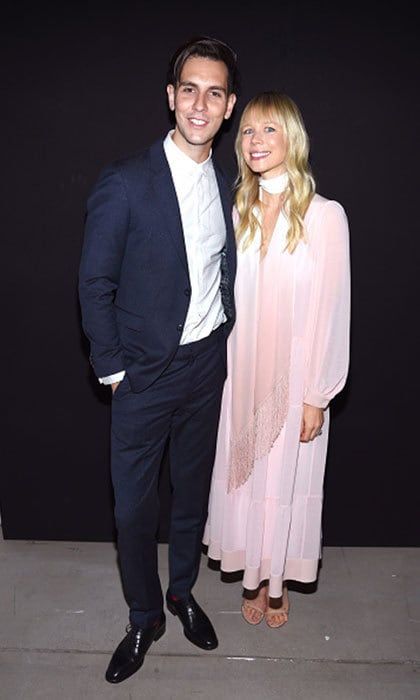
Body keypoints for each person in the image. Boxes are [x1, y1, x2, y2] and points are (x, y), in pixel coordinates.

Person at [79, 36, 237, 683]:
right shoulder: (124, 181)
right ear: (172, 98)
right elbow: (94, 284)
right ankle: (145, 615)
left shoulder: (227, 182)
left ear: (228, 108)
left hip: (206, 367)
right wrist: (115, 371)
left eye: (215, 93)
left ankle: (180, 591)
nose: (201, 103)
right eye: (190, 89)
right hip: (143, 376)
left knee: (191, 496)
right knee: (132, 510)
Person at [204, 91, 350, 628]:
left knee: (286, 479)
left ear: (293, 139)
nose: (256, 141)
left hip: (296, 378)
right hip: (240, 374)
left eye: (269, 130)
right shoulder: (236, 208)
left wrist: (319, 393)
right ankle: (253, 574)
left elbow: (334, 309)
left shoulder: (325, 215)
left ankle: (277, 580)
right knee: (249, 477)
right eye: (246, 131)